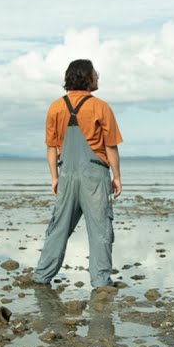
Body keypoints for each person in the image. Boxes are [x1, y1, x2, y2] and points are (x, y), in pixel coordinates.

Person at [32, 59, 123, 289]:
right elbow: (110, 146)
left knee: (59, 226)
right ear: (86, 77)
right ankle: (101, 281)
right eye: (95, 73)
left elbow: (51, 147)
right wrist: (117, 177)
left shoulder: (55, 107)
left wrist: (54, 177)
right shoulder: (101, 107)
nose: (98, 77)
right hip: (95, 174)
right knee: (100, 227)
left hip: (67, 174)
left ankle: (42, 276)